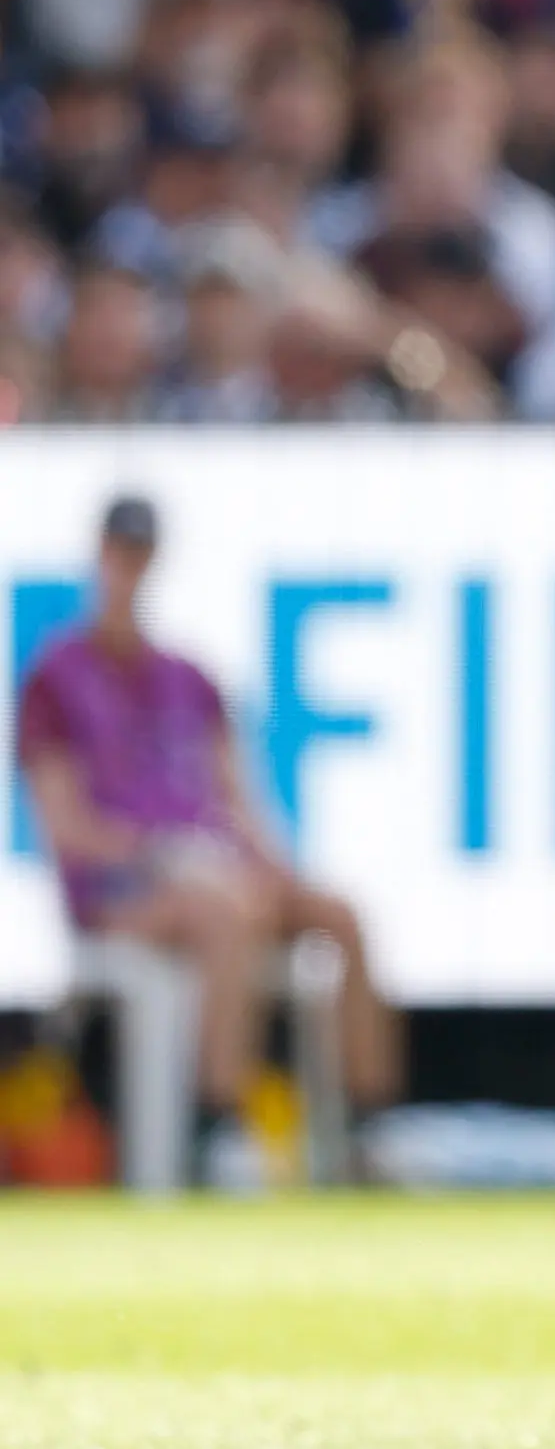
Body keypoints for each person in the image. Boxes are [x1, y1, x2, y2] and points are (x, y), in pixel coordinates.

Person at [14, 497, 401, 1169]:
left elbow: (239, 801)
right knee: (226, 912)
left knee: (339, 914)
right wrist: (159, 853)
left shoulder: (188, 678)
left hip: (212, 867)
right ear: (100, 557)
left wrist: (277, 869)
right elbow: (65, 824)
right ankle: (217, 1125)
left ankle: (368, 1128)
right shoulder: (55, 678)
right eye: (120, 554)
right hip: (123, 888)